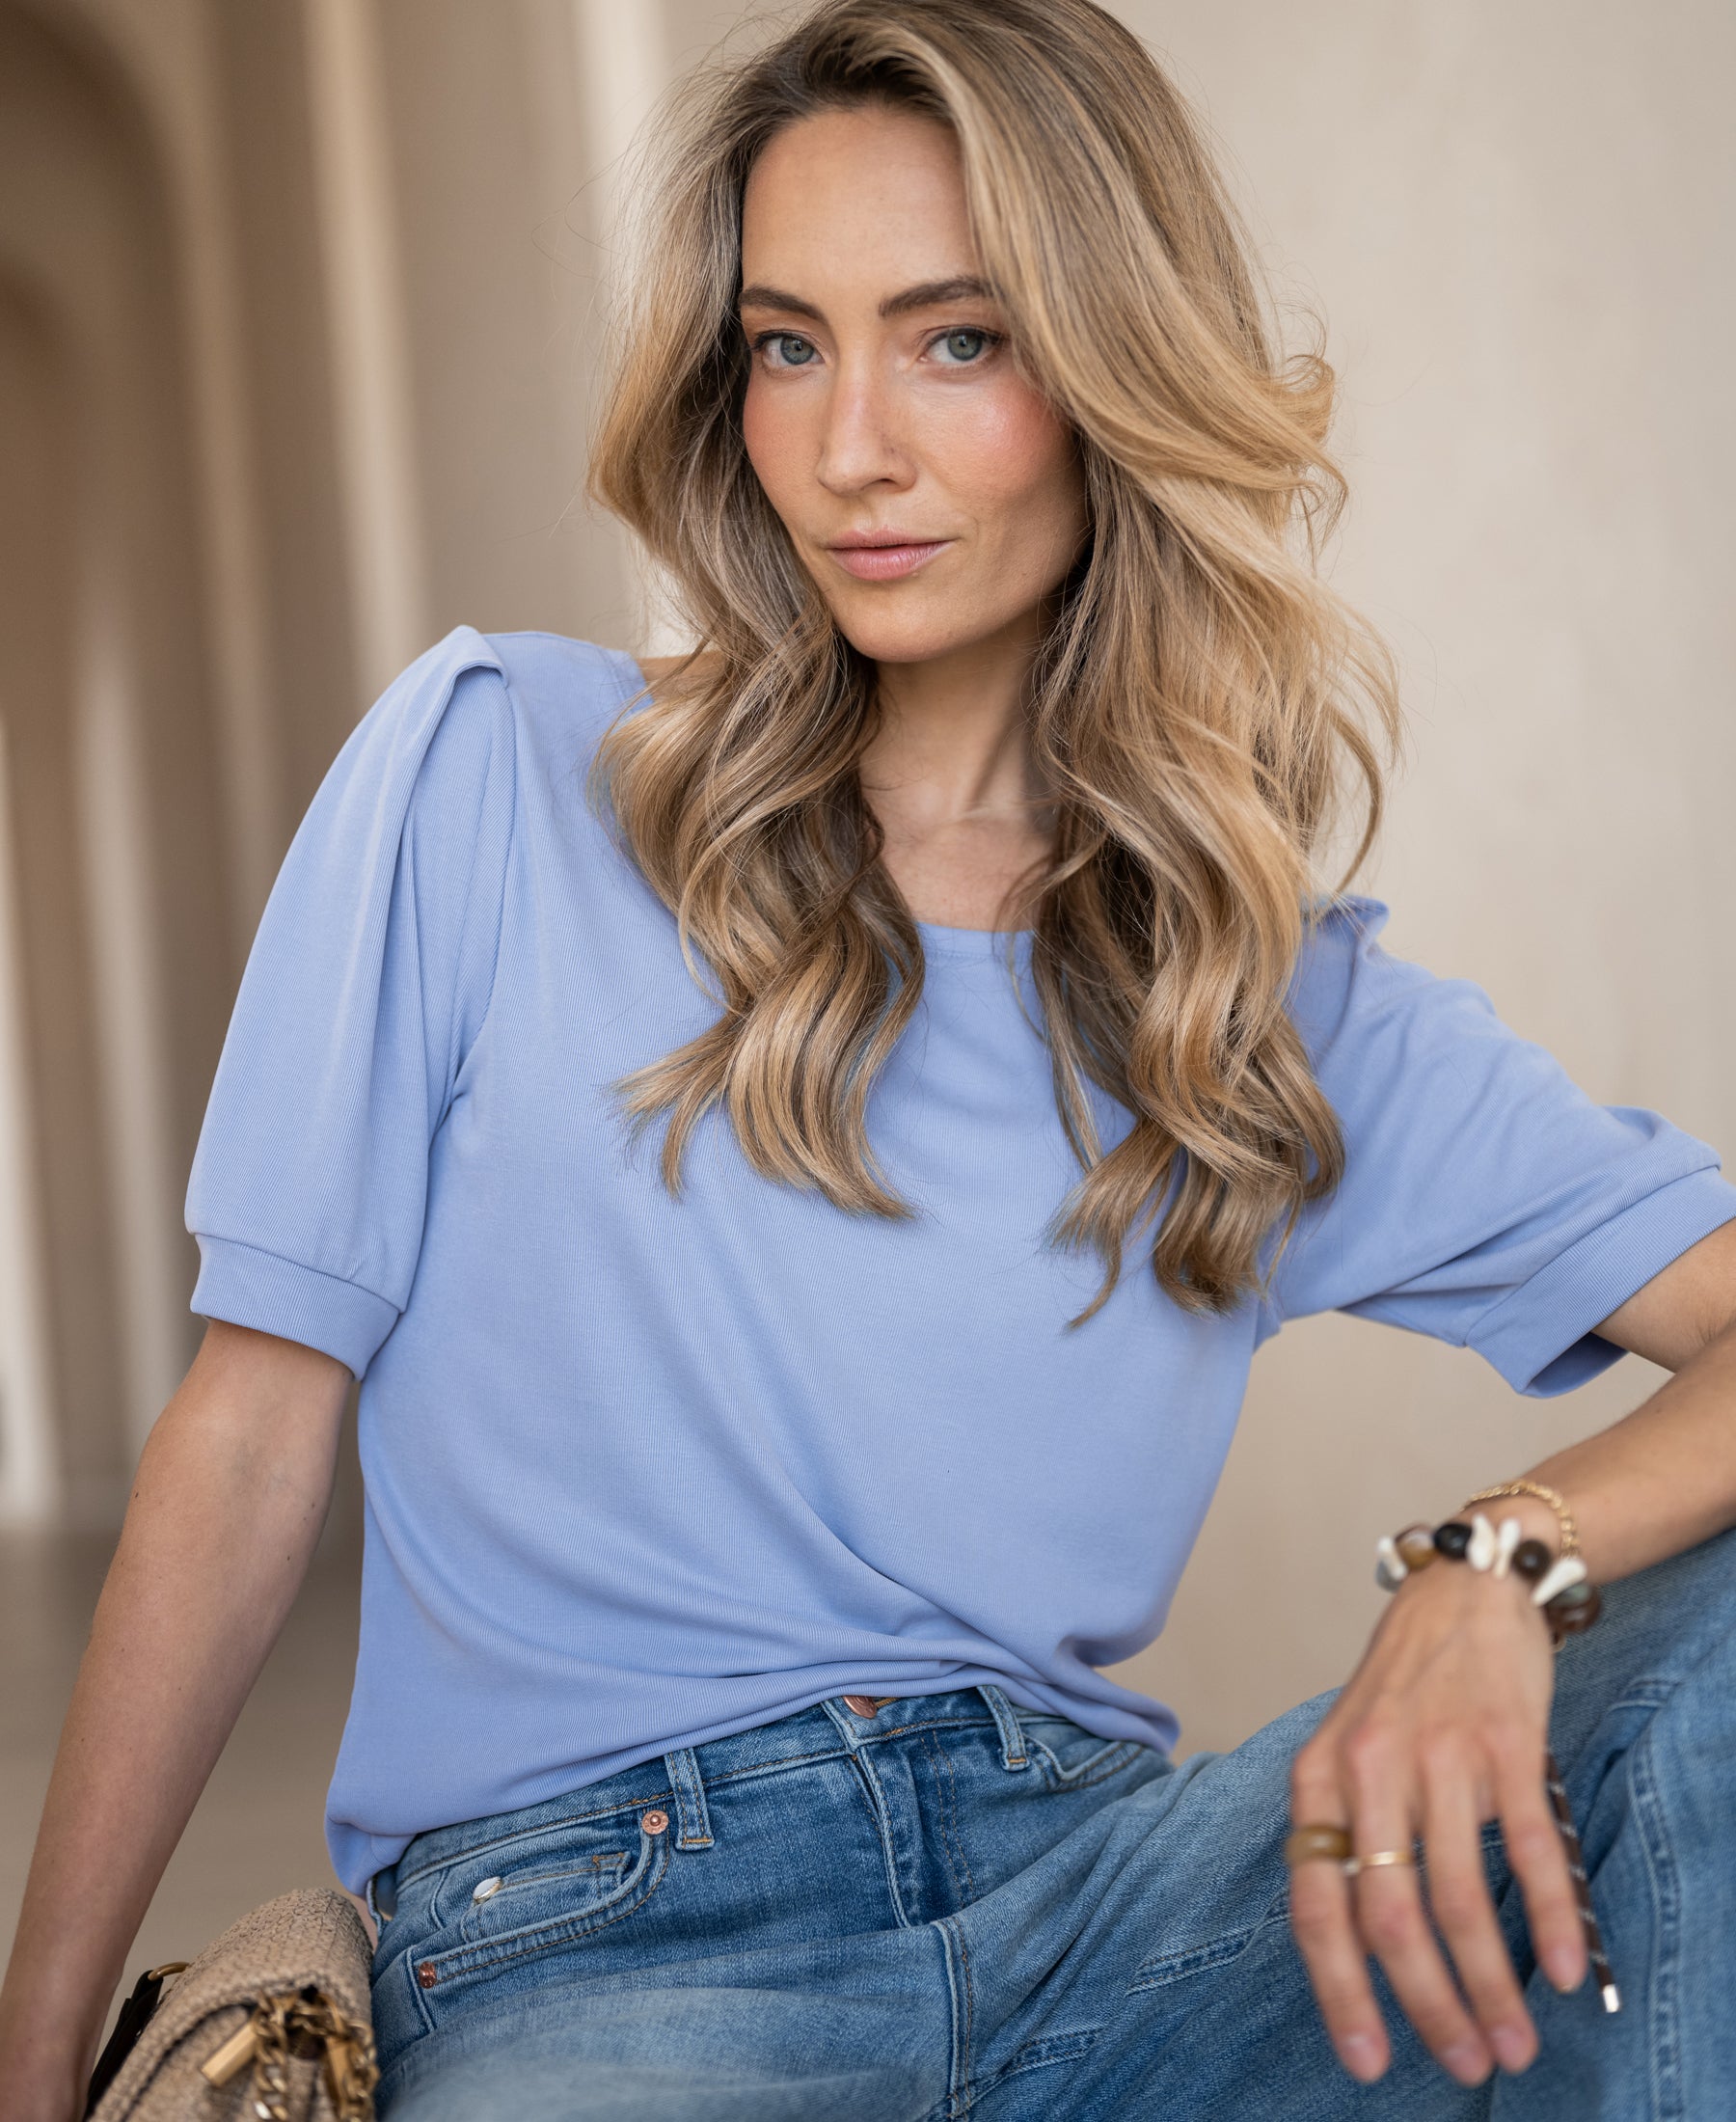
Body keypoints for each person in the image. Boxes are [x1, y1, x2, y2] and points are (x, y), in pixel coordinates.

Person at [4, 2, 1734, 2115]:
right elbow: (255, 1434)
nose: (848, 451)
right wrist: (30, 2058)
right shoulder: (496, 772)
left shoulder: (1256, 1001)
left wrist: (1503, 1556)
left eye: (959, 338)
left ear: (1110, 372)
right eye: (787, 344)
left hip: (1119, 1913)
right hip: (594, 1936)